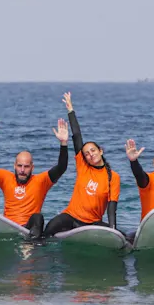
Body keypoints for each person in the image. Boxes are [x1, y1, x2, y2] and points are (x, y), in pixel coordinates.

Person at [0, 119, 71, 238]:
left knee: (38, 217)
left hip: (29, 229)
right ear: (14, 166)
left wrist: (64, 143)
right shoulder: (5, 177)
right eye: (19, 166)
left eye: (26, 166)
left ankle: (30, 249)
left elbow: (61, 167)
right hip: (8, 227)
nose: (22, 170)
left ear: (32, 167)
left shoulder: (41, 181)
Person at [44, 92, 121, 237]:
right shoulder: (83, 166)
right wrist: (70, 110)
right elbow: (77, 135)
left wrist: (112, 231)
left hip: (92, 223)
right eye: (86, 153)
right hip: (71, 217)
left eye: (93, 150)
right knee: (51, 226)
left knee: (123, 236)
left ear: (101, 151)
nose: (90, 154)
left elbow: (112, 208)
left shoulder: (113, 177)